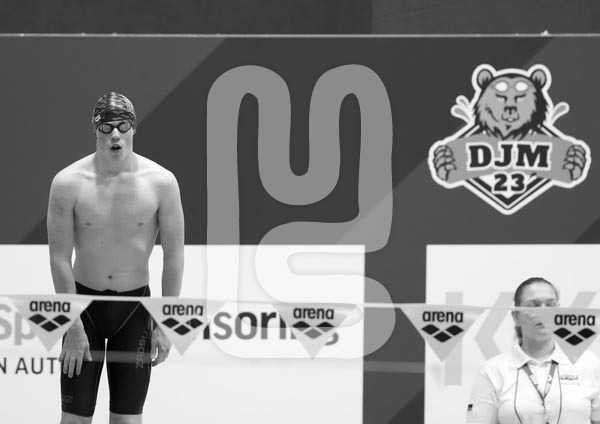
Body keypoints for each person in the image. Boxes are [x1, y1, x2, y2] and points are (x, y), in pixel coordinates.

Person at [47, 92, 184, 424]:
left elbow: (174, 256)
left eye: (123, 127)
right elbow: (59, 258)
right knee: (74, 420)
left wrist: (165, 323)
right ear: (95, 130)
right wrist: (73, 325)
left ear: (134, 128)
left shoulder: (161, 183)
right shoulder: (67, 183)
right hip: (84, 310)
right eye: (106, 128)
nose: (115, 136)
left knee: (126, 420)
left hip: (134, 310)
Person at [466, 277, 600, 424]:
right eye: (534, 305)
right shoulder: (494, 370)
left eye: (550, 305)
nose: (543, 312)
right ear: (516, 315)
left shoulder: (587, 362)